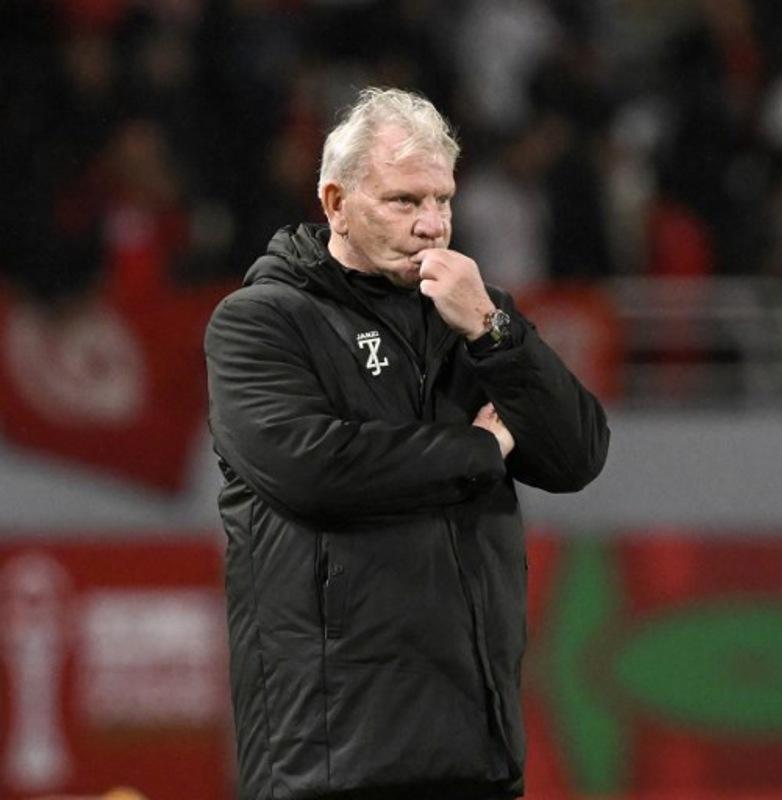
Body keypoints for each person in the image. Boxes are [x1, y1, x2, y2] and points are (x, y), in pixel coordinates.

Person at [204, 87, 610, 800]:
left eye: (442, 200)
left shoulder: (471, 315)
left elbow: (578, 455)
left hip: (477, 747)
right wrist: (480, 452)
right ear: (334, 203)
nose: (432, 225)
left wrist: (493, 330)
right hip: (332, 758)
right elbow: (319, 471)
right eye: (403, 201)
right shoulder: (261, 323)